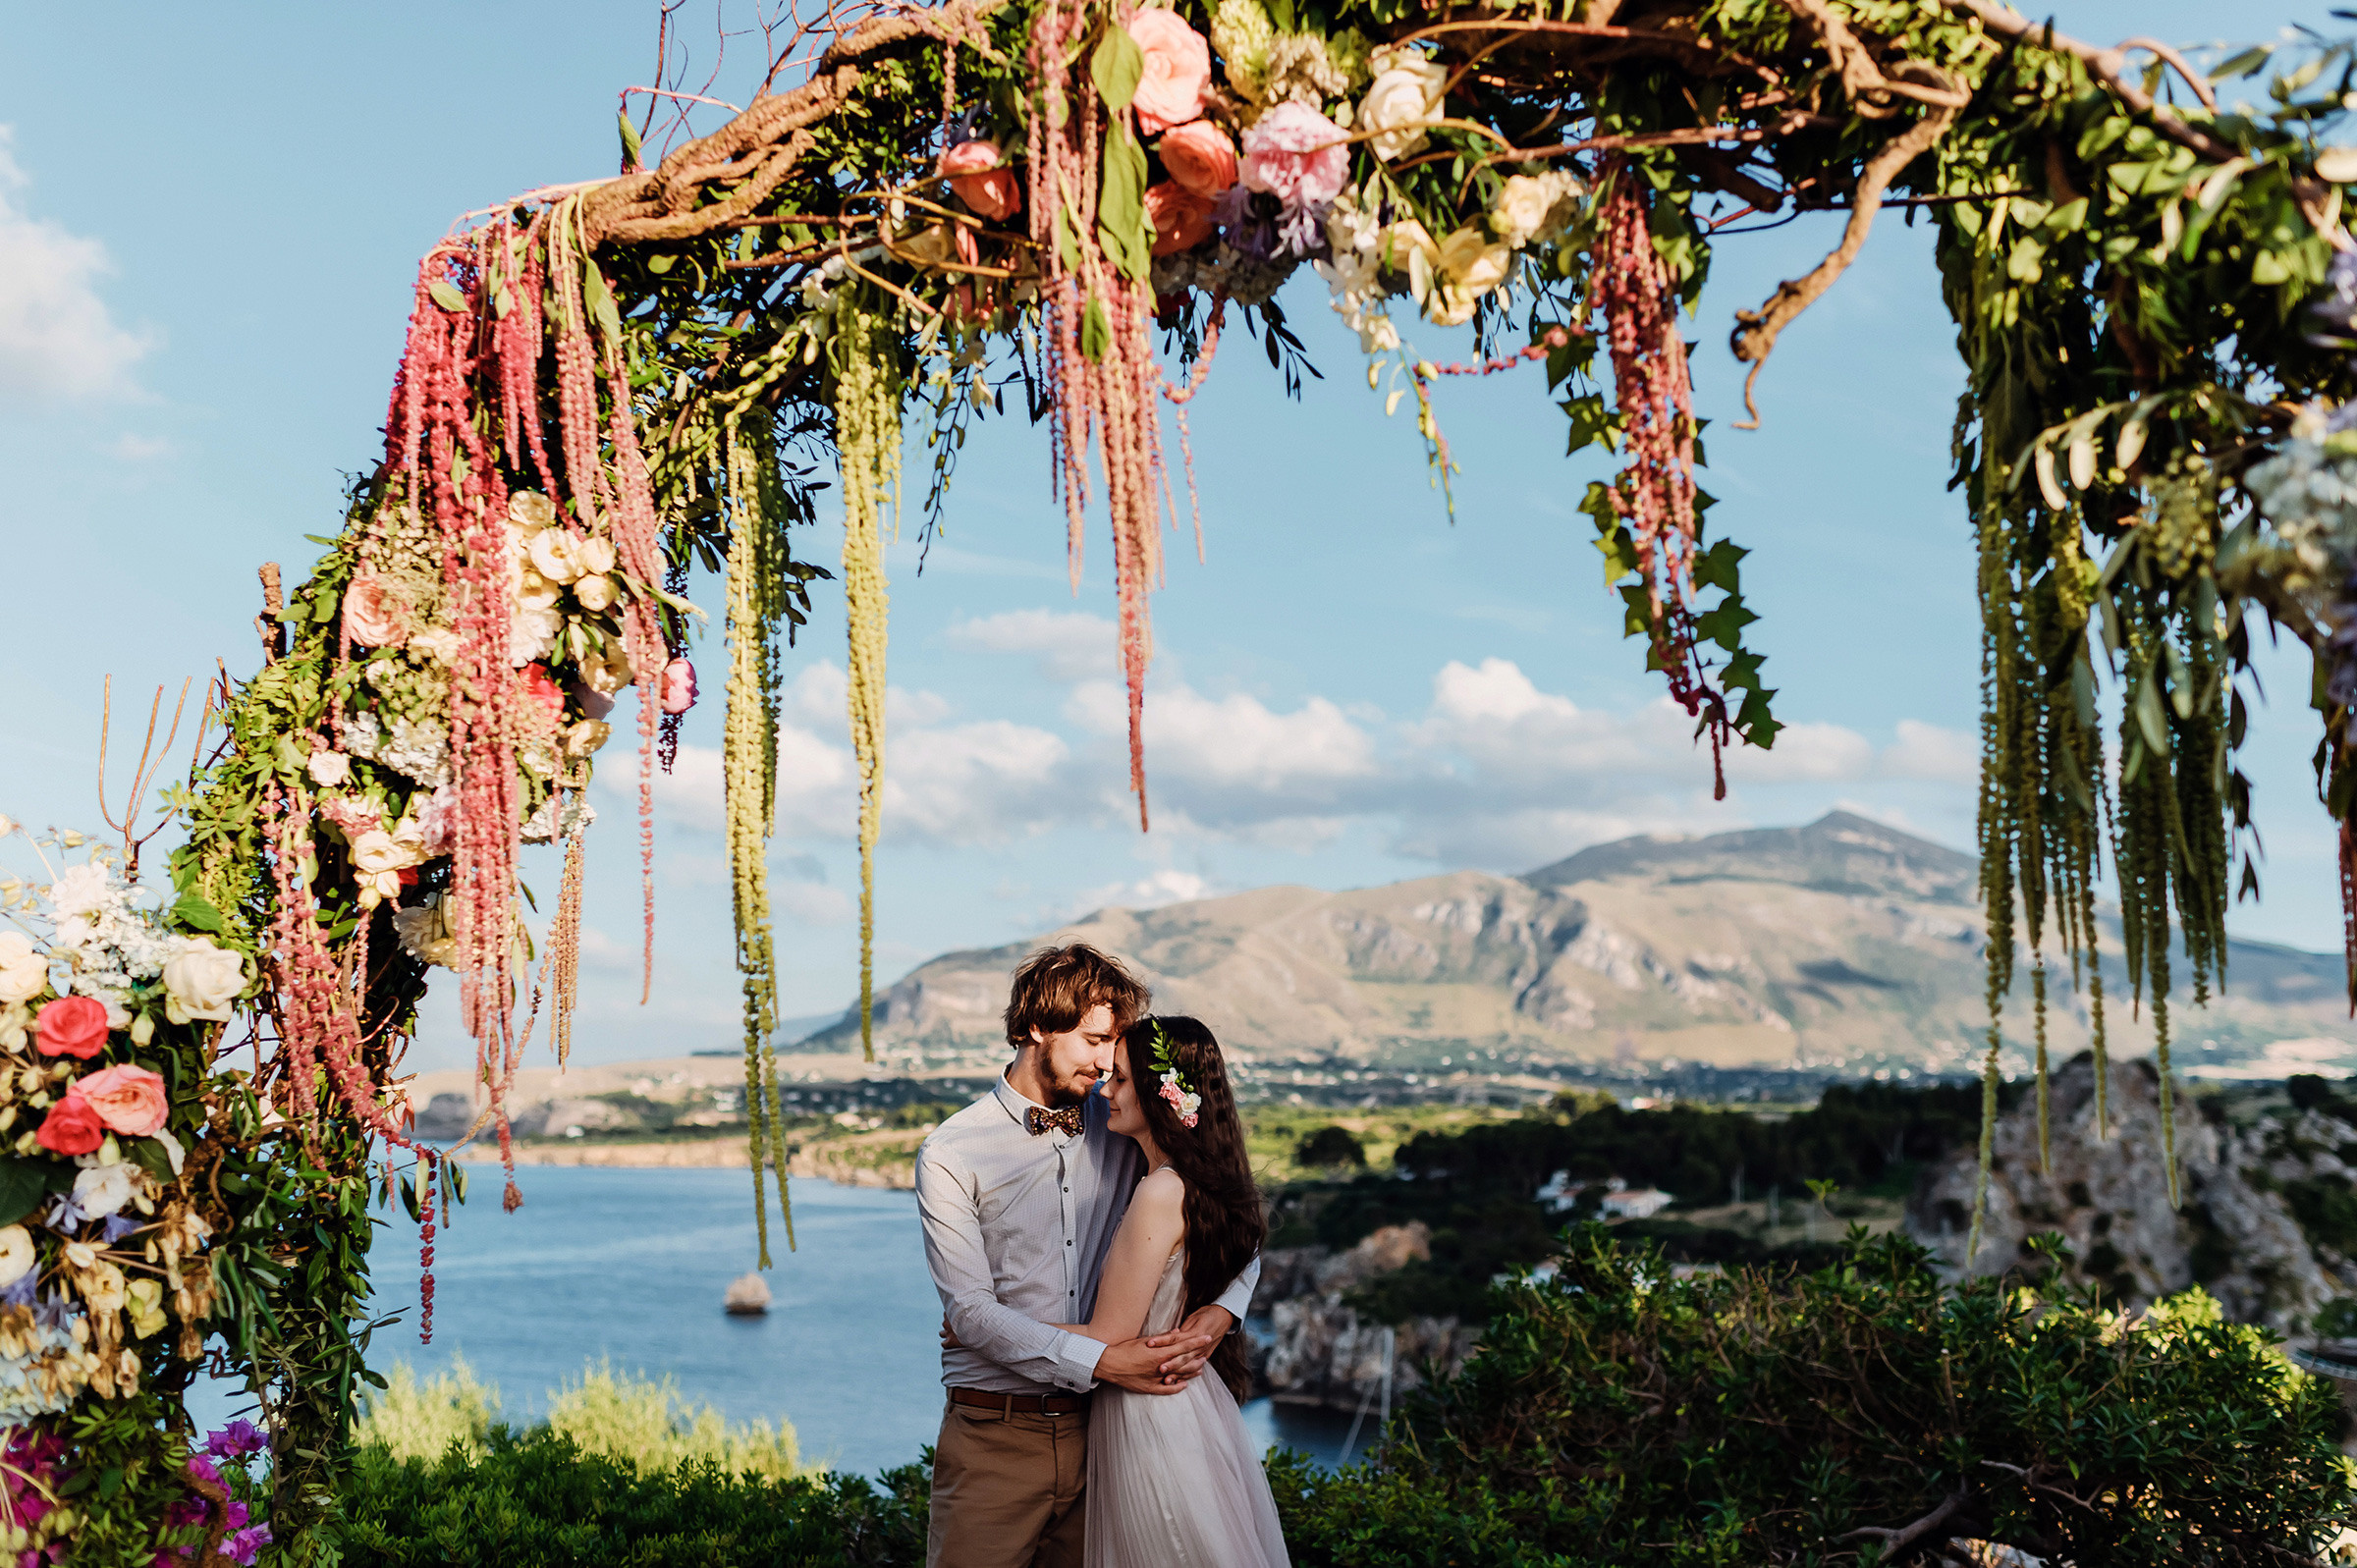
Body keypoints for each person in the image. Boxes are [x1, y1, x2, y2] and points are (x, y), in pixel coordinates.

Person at [916, 946, 1261, 1568]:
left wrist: (1223, 1311)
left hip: (1108, 1435)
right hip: (997, 1436)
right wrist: (1108, 1360)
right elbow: (968, 1310)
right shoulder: (951, 1151)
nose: (1107, 1065)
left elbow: (1226, 1210)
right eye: (1095, 1040)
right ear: (1036, 1027)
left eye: (1116, 1050)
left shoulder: (1125, 1123)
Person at [1060, 1014, 1290, 1568]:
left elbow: (1109, 1337)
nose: (1105, 1090)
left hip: (1148, 1416)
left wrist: (988, 1327)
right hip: (1192, 1404)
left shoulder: (1160, 1192)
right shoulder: (1201, 1184)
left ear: (1162, 1094)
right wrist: (1223, 1310)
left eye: (1119, 1080)